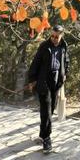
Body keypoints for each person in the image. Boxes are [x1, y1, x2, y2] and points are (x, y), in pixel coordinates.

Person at [27, 25, 69, 153]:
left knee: (51, 108)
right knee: (46, 109)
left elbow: (66, 60)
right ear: (50, 34)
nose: (54, 39)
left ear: (61, 36)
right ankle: (46, 138)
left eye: (57, 36)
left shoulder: (63, 46)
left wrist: (65, 73)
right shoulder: (44, 46)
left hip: (57, 80)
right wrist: (32, 80)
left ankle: (42, 132)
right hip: (43, 79)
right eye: (53, 36)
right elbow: (36, 62)